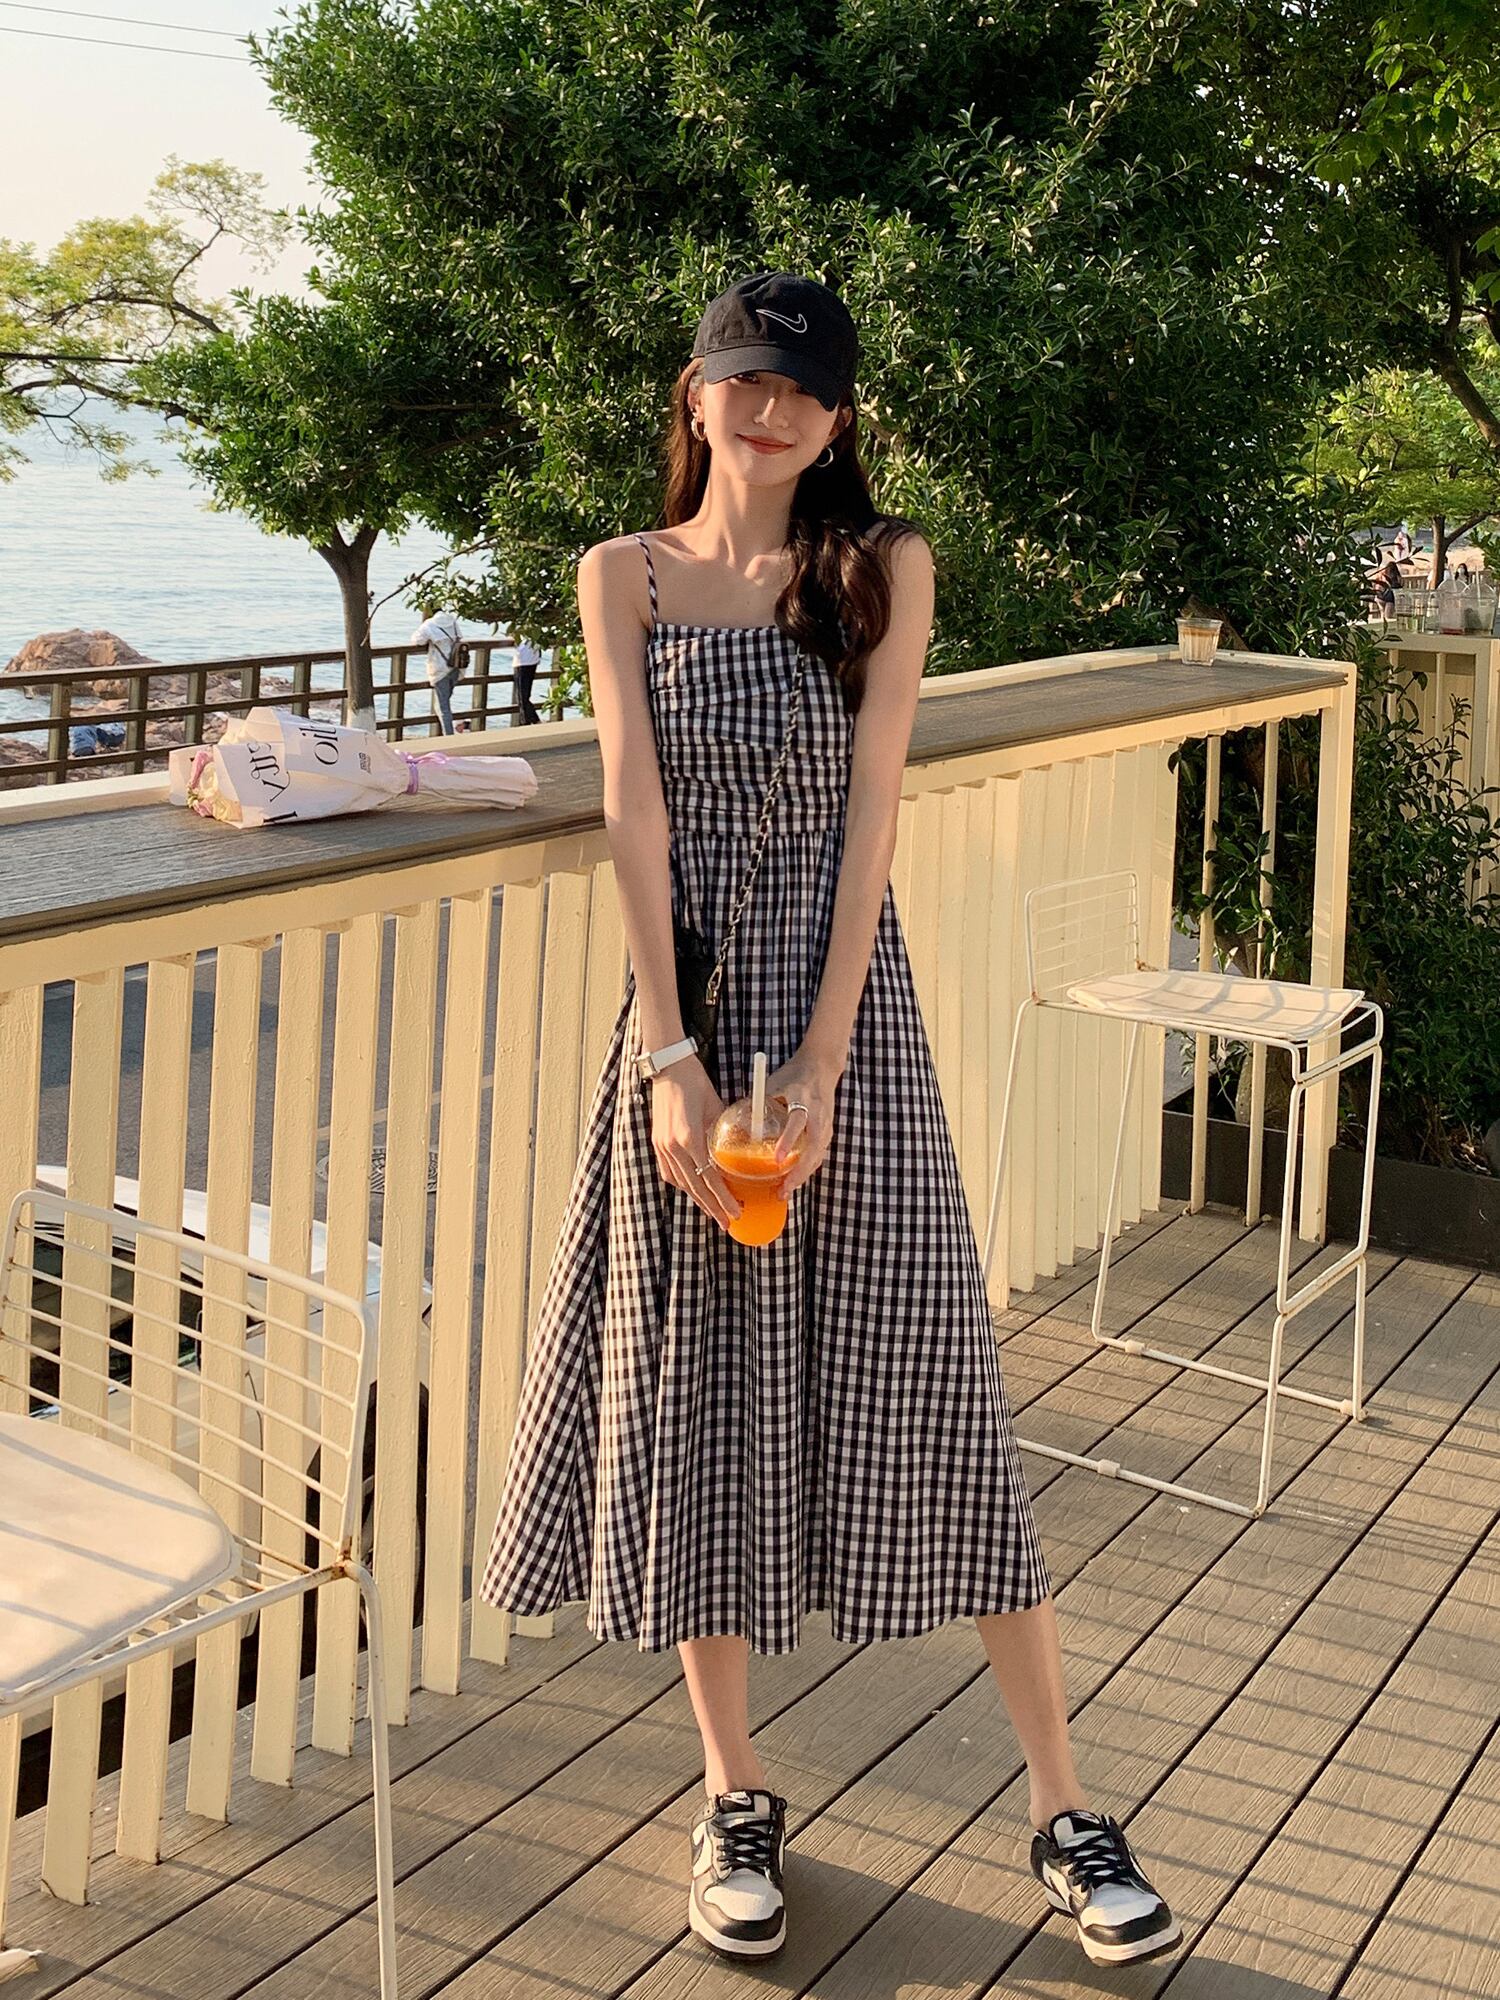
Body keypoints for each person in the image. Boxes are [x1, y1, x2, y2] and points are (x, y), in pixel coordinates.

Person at [480, 272, 1179, 1970]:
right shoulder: (624, 575)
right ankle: (733, 1792)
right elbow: (632, 814)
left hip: (846, 1015)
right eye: (746, 379)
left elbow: (875, 813)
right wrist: (672, 1059)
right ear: (697, 394)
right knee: (701, 1393)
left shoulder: (881, 568)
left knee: (936, 1370)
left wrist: (828, 1054)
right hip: (688, 1019)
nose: (773, 408)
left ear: (839, 417)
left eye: (804, 388)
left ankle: (1064, 1806)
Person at [410, 601, 465, 734]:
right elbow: (460, 637)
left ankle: (448, 736)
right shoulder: (452, 621)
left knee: (443, 707)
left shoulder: (429, 624)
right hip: (456, 667)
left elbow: (416, 640)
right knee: (442, 703)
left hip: (440, 668)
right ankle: (447, 733)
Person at [511, 633, 543, 725]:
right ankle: (531, 720)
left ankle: (529, 721)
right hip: (532, 659)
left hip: (523, 661)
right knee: (524, 695)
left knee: (521, 697)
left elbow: (515, 638)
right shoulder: (535, 631)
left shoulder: (522, 630)